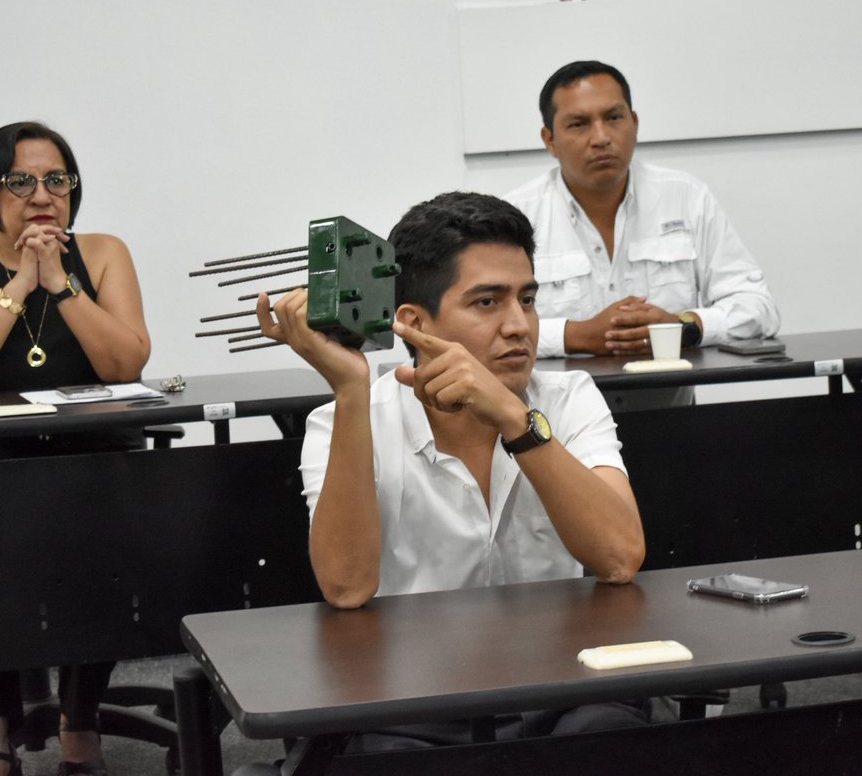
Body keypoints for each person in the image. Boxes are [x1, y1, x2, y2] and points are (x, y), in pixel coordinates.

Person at [256, 191, 649, 747]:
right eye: (487, 303)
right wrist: (349, 388)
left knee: (616, 736)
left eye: (528, 299)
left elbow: (618, 557)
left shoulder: (568, 398)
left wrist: (516, 420)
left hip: (557, 687)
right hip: (414, 701)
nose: (519, 325)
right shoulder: (341, 422)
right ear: (415, 323)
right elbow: (346, 588)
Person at [0, 122, 151, 776]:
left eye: (57, 179)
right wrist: (20, 281)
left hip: (90, 448)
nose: (41, 194)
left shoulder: (103, 252)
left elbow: (126, 361)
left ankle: (81, 722)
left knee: (107, 551)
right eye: (21, 181)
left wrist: (61, 282)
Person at [504, 60, 780, 363]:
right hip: (556, 409)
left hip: (670, 406)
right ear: (549, 140)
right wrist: (575, 335)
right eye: (579, 124)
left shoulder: (686, 197)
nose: (601, 138)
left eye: (613, 118)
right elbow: (488, 329)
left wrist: (681, 326)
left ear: (634, 123)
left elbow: (759, 307)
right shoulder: (515, 217)